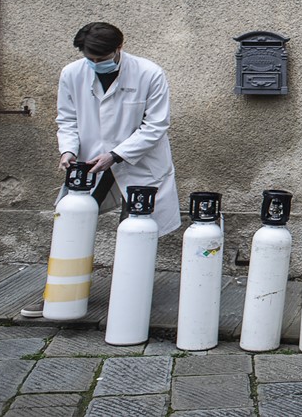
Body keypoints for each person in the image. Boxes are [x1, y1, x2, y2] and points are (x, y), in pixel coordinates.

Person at [20, 22, 182, 317]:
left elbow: (156, 125)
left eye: (102, 58)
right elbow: (67, 119)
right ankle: (57, 294)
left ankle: (129, 301)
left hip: (137, 162)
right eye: (90, 59)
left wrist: (117, 155)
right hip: (91, 163)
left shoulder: (149, 73)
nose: (96, 64)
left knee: (135, 230)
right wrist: (67, 150)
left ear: (119, 48)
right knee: (69, 226)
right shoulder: (72, 73)